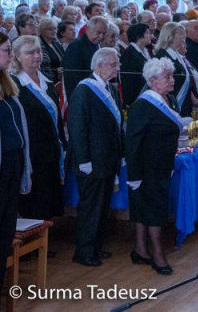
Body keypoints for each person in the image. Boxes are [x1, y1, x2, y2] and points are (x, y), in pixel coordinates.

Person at [125, 58, 182, 275]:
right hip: (146, 167)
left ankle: (140, 249)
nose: (172, 80)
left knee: (146, 208)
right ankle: (158, 254)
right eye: (167, 77)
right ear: (152, 81)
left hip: (163, 164)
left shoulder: (170, 99)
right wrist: (134, 175)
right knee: (154, 210)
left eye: (172, 75)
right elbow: (132, 142)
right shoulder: (142, 105)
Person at [67, 48, 123, 266]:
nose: (117, 68)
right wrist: (84, 161)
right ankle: (84, 251)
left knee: (102, 207)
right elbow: (77, 127)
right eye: (113, 64)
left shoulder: (110, 89)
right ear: (99, 66)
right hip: (91, 161)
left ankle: (96, 247)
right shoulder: (84, 90)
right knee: (90, 208)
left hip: (108, 159)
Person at [10, 36, 64, 221]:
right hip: (30, 153)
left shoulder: (47, 82)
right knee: (34, 203)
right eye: (30, 53)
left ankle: (46, 236)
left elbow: (57, 118)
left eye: (38, 51)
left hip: (50, 151)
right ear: (17, 57)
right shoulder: (15, 84)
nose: (36, 56)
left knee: (48, 200)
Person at [0, 32, 32, 286]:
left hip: (12, 162)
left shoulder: (6, 83)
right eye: (6, 50)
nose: (11, 55)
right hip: (2, 164)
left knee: (5, 227)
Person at [155, 22, 198, 116]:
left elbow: (185, 80)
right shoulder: (162, 55)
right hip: (171, 103)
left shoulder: (177, 54)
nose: (184, 36)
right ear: (170, 36)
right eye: (180, 33)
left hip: (184, 103)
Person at [63, 16, 108, 100]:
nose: (101, 36)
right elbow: (72, 78)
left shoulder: (95, 44)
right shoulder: (76, 46)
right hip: (82, 95)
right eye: (98, 32)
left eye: (104, 33)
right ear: (88, 29)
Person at [120, 23, 152, 107]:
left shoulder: (145, 51)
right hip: (136, 99)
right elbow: (129, 83)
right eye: (147, 33)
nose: (151, 36)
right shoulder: (129, 55)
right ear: (139, 36)